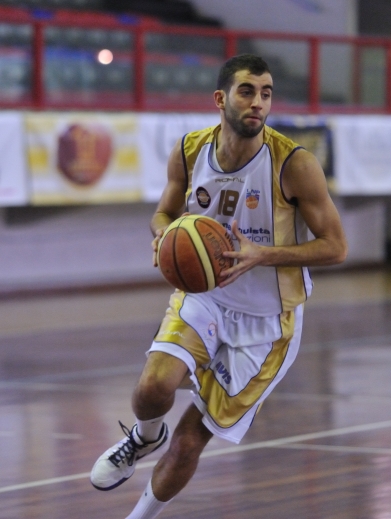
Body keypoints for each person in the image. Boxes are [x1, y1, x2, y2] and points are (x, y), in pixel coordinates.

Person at [89, 53, 347, 518]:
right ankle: (145, 437)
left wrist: (263, 254)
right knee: (152, 387)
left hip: (266, 323)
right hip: (205, 297)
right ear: (220, 99)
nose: (258, 103)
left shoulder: (294, 164)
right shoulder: (190, 151)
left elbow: (336, 247)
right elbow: (163, 213)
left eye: (266, 93)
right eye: (247, 91)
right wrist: (164, 235)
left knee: (189, 441)